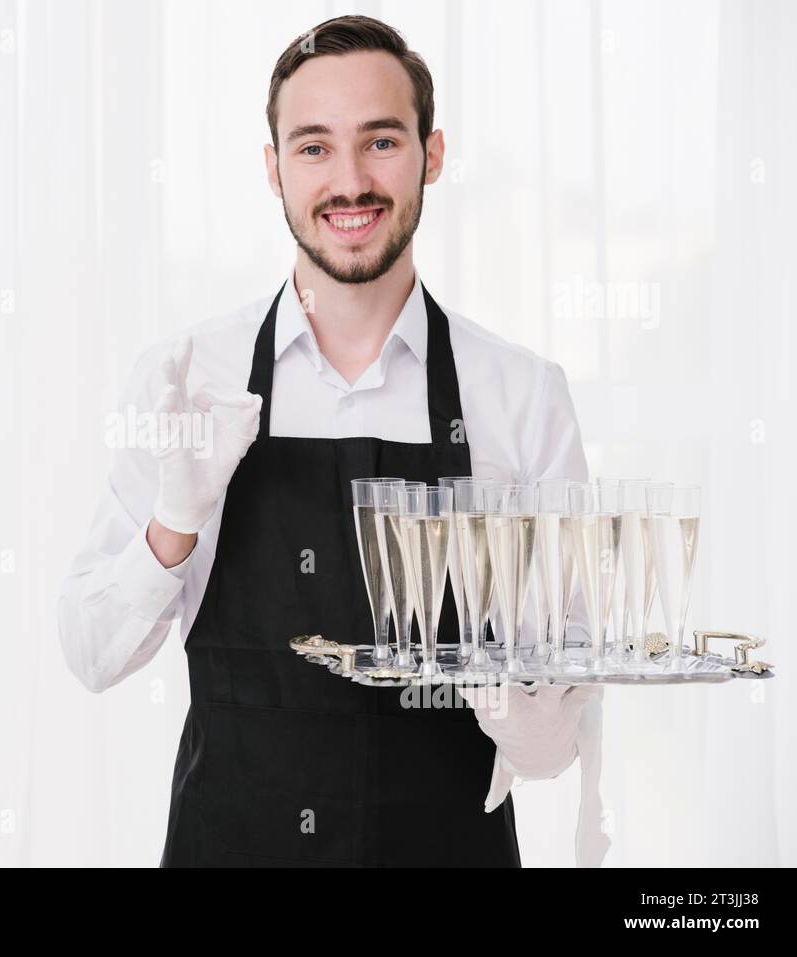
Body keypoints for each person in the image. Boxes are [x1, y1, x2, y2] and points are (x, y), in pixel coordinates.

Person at [58, 14, 607, 867]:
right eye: (313, 148)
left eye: (381, 141)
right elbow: (90, 654)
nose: (349, 181)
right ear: (273, 170)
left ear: (432, 155)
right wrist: (174, 519)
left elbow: (545, 754)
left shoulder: (522, 394)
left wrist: (504, 667)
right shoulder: (186, 377)